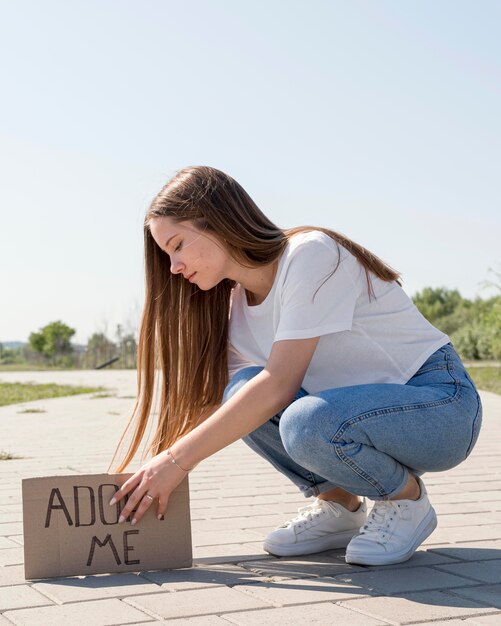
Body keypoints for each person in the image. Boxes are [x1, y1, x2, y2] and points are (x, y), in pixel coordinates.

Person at [110, 165, 482, 566]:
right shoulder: (235, 307)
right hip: (350, 418)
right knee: (240, 390)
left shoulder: (310, 254)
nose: (174, 267)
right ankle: (339, 506)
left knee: (302, 419)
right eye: (167, 255)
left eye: (178, 244)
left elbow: (280, 385)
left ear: (215, 222)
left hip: (440, 407)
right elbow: (223, 408)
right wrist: (148, 474)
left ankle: (405, 500)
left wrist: (176, 461)